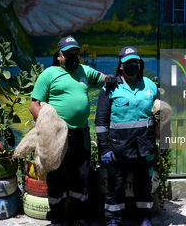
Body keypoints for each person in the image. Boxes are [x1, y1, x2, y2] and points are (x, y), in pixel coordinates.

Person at [29, 35, 116, 226]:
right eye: (69, 54)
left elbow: (101, 78)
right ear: (59, 56)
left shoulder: (84, 71)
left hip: (81, 134)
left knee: (82, 176)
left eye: (76, 53)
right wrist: (45, 124)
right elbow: (34, 105)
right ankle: (57, 218)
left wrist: (108, 79)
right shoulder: (48, 74)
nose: (74, 57)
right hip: (57, 135)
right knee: (56, 175)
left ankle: (78, 218)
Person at [95, 46, 168, 226]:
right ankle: (113, 219)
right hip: (118, 148)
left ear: (140, 64)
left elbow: (163, 114)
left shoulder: (150, 86)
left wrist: (165, 138)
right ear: (120, 66)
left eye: (135, 62)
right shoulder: (110, 88)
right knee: (115, 185)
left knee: (144, 186)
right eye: (128, 63)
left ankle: (144, 217)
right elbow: (101, 121)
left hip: (145, 147)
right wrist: (104, 148)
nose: (132, 66)